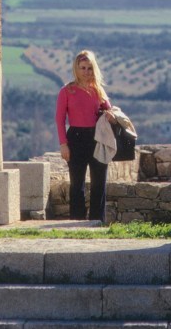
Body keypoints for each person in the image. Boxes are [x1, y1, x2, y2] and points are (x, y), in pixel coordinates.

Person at [54, 50, 115, 222]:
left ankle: (97, 221)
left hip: (97, 139)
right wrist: (63, 144)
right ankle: (77, 222)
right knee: (76, 184)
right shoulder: (67, 91)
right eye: (83, 68)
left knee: (99, 183)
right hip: (75, 138)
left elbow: (110, 111)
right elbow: (59, 119)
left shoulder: (98, 90)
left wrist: (110, 115)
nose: (86, 72)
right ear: (76, 68)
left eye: (89, 68)